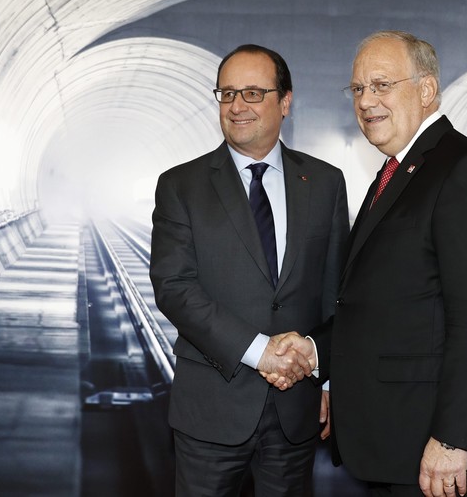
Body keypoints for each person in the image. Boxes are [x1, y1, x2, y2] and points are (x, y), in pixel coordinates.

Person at [268, 31, 467, 496]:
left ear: (426, 90)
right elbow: (383, 305)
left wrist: (451, 439)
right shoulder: (396, 172)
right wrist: (315, 349)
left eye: (382, 85)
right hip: (398, 440)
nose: (366, 101)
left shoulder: (464, 171)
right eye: (358, 89)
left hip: (434, 449)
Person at [149, 43, 349, 496]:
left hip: (297, 408)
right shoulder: (181, 185)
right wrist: (261, 352)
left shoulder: (324, 182)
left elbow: (336, 292)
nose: (237, 105)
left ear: (286, 102)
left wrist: (329, 379)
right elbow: (174, 287)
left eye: (254, 93)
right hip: (211, 410)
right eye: (227, 93)